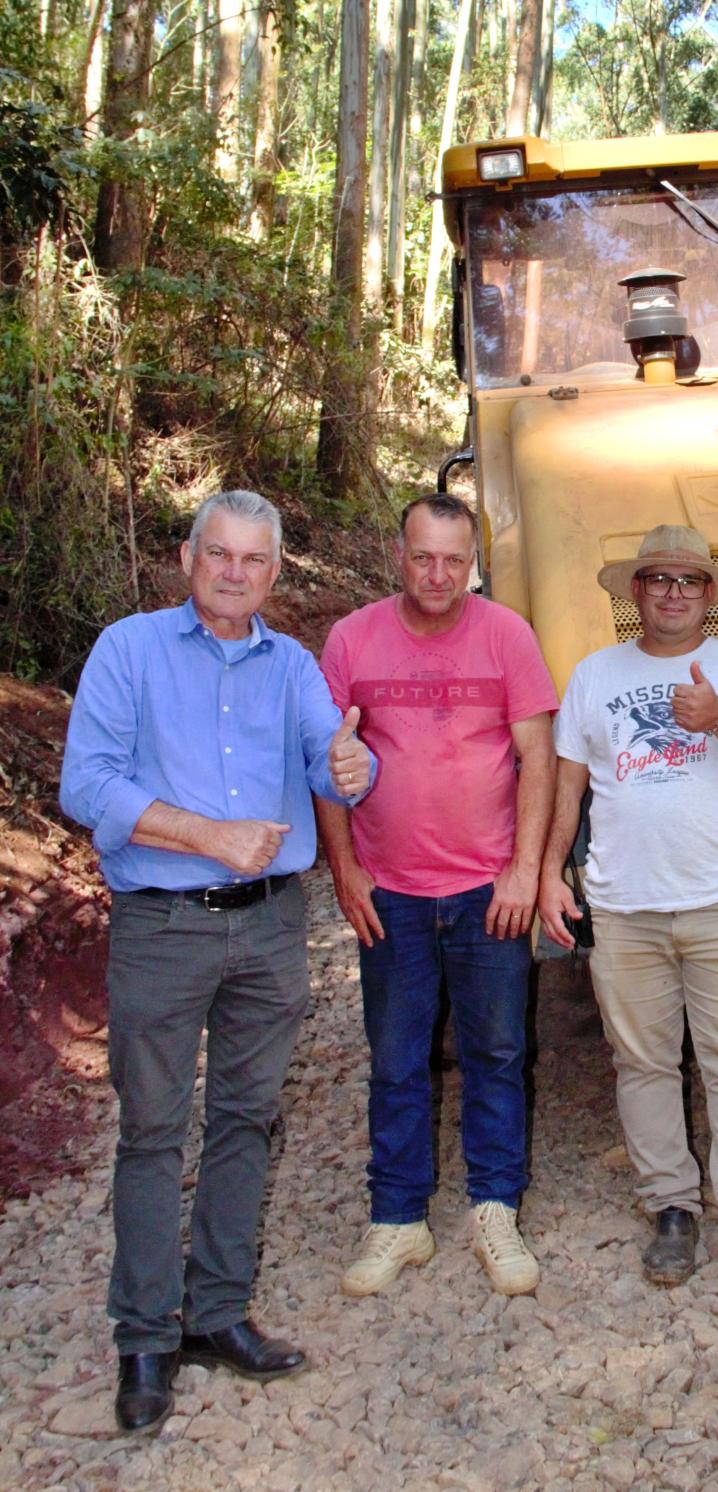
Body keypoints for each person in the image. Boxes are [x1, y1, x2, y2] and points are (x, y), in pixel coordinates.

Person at [60, 490, 374, 1436]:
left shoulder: (294, 665)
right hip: (162, 925)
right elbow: (87, 783)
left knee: (247, 1120)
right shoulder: (130, 650)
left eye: (254, 560)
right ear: (188, 558)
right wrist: (206, 835)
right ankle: (145, 1336)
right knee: (153, 1131)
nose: (235, 573)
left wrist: (357, 770)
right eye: (219, 555)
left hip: (271, 926)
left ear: (276, 573)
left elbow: (334, 762)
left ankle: (219, 1314)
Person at [538, 526, 718, 1308]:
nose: (674, 593)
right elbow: (568, 783)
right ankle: (672, 1209)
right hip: (624, 908)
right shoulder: (593, 675)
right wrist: (552, 870)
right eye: (658, 579)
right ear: (636, 591)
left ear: (710, 593)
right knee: (643, 1065)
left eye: (690, 580)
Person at [317, 494, 558, 1301]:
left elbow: (538, 757)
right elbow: (329, 760)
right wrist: (345, 868)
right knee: (396, 1059)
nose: (438, 575)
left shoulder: (506, 635)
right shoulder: (352, 638)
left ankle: (495, 1208)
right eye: (424, 556)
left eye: (454, 560)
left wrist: (525, 869)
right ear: (399, 553)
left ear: (474, 561)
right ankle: (398, 1219)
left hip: (488, 890)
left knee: (497, 1054)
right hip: (392, 892)